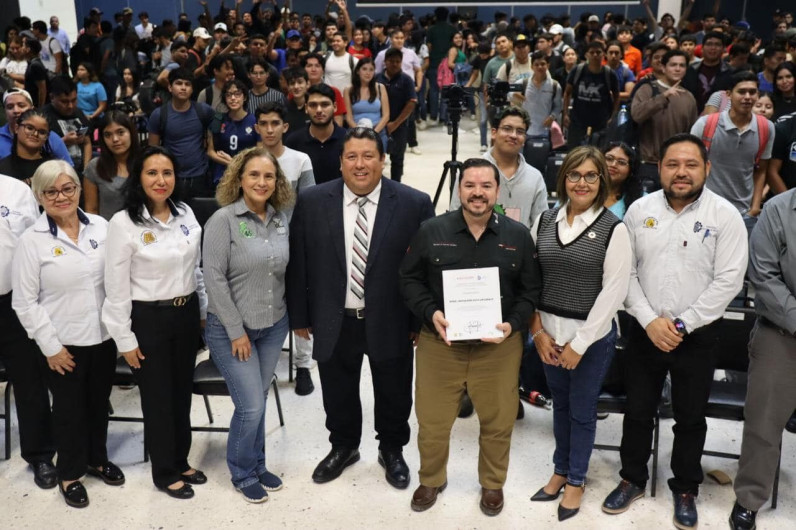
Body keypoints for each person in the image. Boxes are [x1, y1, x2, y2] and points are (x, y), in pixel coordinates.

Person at [602, 134, 748, 530]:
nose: (681, 172)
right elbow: (624, 272)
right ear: (659, 168)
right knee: (637, 411)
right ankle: (631, 478)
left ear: (707, 168)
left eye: (690, 164)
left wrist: (682, 324)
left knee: (691, 417)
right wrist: (650, 320)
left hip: (697, 335)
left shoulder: (725, 216)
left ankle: (685, 487)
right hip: (644, 330)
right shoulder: (639, 210)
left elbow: (729, 281)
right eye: (672, 164)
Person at [286, 127, 435, 489]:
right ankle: (344, 446)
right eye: (351, 156)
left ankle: (392, 450)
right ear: (340, 162)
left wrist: (419, 318)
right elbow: (299, 262)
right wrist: (301, 315)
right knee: (337, 389)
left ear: (383, 160)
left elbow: (425, 269)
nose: (360, 164)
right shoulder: (312, 201)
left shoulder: (414, 203)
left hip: (392, 318)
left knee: (394, 390)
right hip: (333, 316)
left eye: (369, 156)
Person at [400, 157, 541, 516]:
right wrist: (431, 313)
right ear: (458, 189)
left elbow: (530, 291)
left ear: (497, 190)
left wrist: (513, 324)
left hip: (498, 347)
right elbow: (409, 279)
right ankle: (431, 478)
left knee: (498, 419)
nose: (477, 193)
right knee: (432, 419)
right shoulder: (432, 231)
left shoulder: (517, 236)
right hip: (440, 344)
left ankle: (492, 484)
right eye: (469, 185)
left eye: (485, 186)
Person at [12, 160, 123, 508]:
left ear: (77, 188)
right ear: (39, 196)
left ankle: (96, 458)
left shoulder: (102, 228)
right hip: (62, 343)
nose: (61, 197)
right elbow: (24, 302)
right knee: (69, 410)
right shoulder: (32, 241)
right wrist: (51, 347)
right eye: (51, 191)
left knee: (98, 403)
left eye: (68, 188)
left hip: (103, 338)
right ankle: (70, 473)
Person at [528, 146, 631, 521]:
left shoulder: (613, 228)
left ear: (602, 179)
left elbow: (613, 293)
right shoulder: (544, 219)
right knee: (560, 407)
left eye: (591, 175)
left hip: (590, 340)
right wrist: (537, 332)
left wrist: (580, 344)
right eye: (574, 175)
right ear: (563, 179)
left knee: (583, 413)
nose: (582, 182)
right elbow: (531, 280)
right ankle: (559, 470)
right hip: (548, 338)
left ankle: (575, 480)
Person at [102, 146, 208, 499]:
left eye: (167, 173)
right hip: (148, 319)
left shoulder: (186, 213)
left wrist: (203, 312)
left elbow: (195, 268)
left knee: (181, 393)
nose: (160, 180)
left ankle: (181, 459)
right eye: (152, 173)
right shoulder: (123, 223)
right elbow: (114, 287)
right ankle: (164, 471)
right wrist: (125, 339)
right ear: (138, 177)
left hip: (185, 313)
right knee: (158, 398)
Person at [203, 147, 294, 503]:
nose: (261, 181)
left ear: (277, 181)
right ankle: (241, 472)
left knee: (259, 399)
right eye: (253, 175)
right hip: (231, 331)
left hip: (273, 325)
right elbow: (213, 278)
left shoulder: (279, 219)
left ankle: (257, 464)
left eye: (268, 176)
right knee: (251, 405)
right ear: (239, 179)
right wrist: (236, 330)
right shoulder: (222, 220)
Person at [728, 186, 796, 530]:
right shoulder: (778, 209)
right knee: (764, 423)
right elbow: (764, 276)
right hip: (782, 331)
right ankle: (750, 498)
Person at [254, 102, 317, 394]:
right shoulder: (248, 160)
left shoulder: (300, 160)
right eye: (264, 123)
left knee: (302, 300)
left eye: (274, 123)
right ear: (256, 128)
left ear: (285, 127)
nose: (269, 129)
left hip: (293, 242)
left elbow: (309, 204)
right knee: (265, 301)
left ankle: (303, 365)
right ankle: (263, 361)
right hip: (255, 244)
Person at [0, 172, 57, 491]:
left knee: (30, 382)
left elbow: (35, 243)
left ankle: (40, 455)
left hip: (12, 300)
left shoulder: (16, 190)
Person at [691, 71, 775, 220]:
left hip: (743, 213)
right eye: (741, 92)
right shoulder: (706, 125)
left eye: (752, 92)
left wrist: (754, 208)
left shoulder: (766, 128)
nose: (747, 97)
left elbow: (761, 170)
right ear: (729, 95)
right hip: (706, 210)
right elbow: (690, 165)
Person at [450, 107, 547, 229]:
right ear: (494, 133)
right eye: (507, 129)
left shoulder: (534, 178)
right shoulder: (470, 171)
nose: (513, 135)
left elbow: (542, 226)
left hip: (521, 246)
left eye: (520, 131)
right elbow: (454, 217)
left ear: (524, 139)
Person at [631, 49, 698, 187]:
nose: (678, 69)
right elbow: (637, 115)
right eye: (673, 65)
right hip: (648, 163)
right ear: (663, 67)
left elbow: (691, 132)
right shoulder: (647, 89)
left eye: (682, 65)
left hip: (676, 164)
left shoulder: (689, 97)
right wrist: (663, 96)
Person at [147, 68, 215, 198]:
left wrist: (210, 143)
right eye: (179, 83)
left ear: (192, 89)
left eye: (187, 84)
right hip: (171, 177)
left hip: (200, 176)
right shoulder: (159, 115)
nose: (183, 88)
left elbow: (218, 122)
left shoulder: (203, 111)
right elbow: (153, 151)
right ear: (170, 87)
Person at [83, 111, 141, 220]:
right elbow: (91, 210)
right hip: (108, 232)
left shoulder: (145, 162)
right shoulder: (94, 167)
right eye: (108, 135)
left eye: (120, 132)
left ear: (131, 133)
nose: (115, 139)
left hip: (144, 231)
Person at [285, 83, 346, 184]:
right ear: (306, 108)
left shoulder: (349, 140)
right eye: (313, 105)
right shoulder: (293, 142)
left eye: (325, 104)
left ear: (335, 107)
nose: (319, 110)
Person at [562, 41, 619, 148]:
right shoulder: (577, 70)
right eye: (592, 52)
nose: (595, 55)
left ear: (604, 54)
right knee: (574, 152)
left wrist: (613, 116)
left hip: (601, 121)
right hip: (577, 120)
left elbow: (616, 96)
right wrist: (565, 113)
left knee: (598, 152)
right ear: (586, 55)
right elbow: (567, 92)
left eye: (598, 52)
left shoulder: (609, 74)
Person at [207, 80, 259, 187]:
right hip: (222, 175)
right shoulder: (218, 120)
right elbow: (210, 151)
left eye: (237, 94)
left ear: (244, 97)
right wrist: (230, 163)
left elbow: (259, 151)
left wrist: (235, 163)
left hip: (247, 172)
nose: (233, 98)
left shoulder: (254, 121)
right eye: (229, 95)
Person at [376, 48, 417, 183]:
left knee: (397, 159)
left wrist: (395, 123)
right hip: (378, 125)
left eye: (397, 62)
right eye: (391, 61)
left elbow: (411, 103)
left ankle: (396, 186)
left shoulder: (406, 80)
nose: (394, 64)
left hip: (399, 125)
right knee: (376, 157)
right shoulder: (376, 78)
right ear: (385, 62)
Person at [1, 88, 72, 164]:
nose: (16, 110)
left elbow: (68, 169)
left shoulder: (51, 137)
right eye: (10, 107)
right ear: (5, 112)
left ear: (32, 109)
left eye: (21, 106)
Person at [42, 77, 92, 172]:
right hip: (55, 172)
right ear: (52, 97)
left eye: (74, 100)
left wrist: (86, 170)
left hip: (81, 170)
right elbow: (38, 149)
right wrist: (62, 142)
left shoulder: (78, 113)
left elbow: (87, 142)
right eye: (64, 101)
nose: (70, 106)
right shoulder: (42, 117)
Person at [0, 108, 55, 183]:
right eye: (29, 128)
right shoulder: (3, 168)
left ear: (47, 137)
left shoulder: (54, 167)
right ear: (16, 128)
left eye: (42, 132)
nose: (35, 134)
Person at [345, 58, 389, 150]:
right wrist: (360, 132)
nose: (368, 73)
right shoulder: (348, 90)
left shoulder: (381, 88)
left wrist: (374, 133)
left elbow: (386, 116)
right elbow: (348, 117)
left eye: (371, 69)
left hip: (378, 132)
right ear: (357, 71)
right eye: (364, 69)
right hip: (356, 133)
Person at [522, 51, 563, 139]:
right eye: (536, 64)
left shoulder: (555, 86)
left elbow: (558, 106)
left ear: (548, 65)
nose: (540, 67)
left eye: (543, 64)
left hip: (545, 131)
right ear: (531, 67)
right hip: (525, 131)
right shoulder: (523, 84)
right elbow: (510, 96)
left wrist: (552, 117)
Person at [603, 142, 643, 220]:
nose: (613, 165)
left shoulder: (642, 201)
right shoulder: (582, 189)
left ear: (631, 171)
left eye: (621, 162)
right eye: (609, 159)